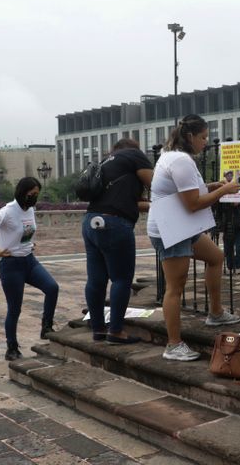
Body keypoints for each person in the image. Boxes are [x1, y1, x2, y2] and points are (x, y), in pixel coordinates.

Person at [148, 114, 240, 362]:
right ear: (190, 136)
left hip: (179, 225)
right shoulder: (181, 160)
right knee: (175, 288)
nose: (206, 142)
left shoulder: (171, 155)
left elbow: (186, 192)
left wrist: (212, 186)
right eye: (203, 137)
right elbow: (193, 204)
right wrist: (225, 190)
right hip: (171, 230)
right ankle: (173, 344)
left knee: (216, 257)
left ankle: (216, 313)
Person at [0, 177, 59, 361]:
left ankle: (46, 327)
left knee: (52, 288)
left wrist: (28, 243)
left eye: (37, 194)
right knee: (15, 309)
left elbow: (25, 231)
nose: (34, 198)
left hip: (29, 261)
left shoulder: (30, 210)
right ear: (22, 192)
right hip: (11, 265)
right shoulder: (7, 211)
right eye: (32, 194)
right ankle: (11, 348)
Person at [82, 138, 154, 345]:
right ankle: (116, 331)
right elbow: (157, 185)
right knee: (121, 279)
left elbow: (128, 202)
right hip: (115, 223)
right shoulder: (134, 155)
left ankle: (98, 329)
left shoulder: (106, 163)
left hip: (90, 221)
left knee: (95, 280)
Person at [216, 202, 240, 275]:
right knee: (228, 247)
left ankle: (238, 266)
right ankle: (230, 266)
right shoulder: (223, 201)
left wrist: (239, 202)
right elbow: (219, 209)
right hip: (227, 223)